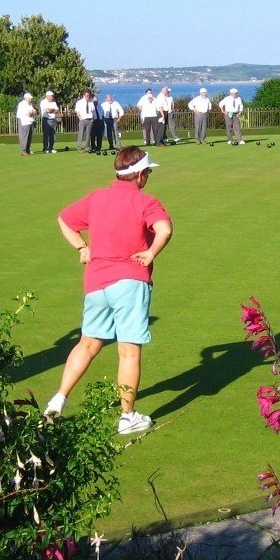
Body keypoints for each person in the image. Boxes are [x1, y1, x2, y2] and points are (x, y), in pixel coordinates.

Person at [43, 146, 172, 434]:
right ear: (139, 175)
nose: (148, 176)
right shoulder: (146, 202)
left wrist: (82, 247)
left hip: (96, 282)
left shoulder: (97, 197)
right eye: (147, 172)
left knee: (87, 343)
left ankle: (57, 400)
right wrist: (150, 254)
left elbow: (64, 219)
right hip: (130, 281)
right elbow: (164, 230)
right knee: (128, 351)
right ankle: (127, 417)